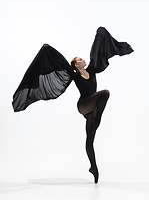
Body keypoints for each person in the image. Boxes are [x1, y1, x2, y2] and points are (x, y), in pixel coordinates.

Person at [12, 27, 134, 183]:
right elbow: (58, 63)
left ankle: (93, 168)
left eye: (82, 59)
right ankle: (96, 114)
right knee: (105, 93)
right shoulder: (75, 76)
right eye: (80, 59)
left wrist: (100, 33)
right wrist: (46, 49)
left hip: (92, 110)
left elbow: (98, 48)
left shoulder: (93, 70)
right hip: (84, 106)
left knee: (90, 139)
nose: (83, 60)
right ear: (76, 65)